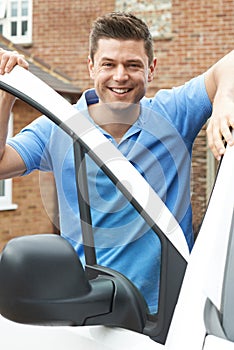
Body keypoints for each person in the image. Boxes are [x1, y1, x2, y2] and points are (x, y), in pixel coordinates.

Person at [0, 12, 233, 314]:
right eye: (108, 64)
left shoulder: (172, 114)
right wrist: (6, 95)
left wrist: (224, 100)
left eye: (133, 65)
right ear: (91, 67)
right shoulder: (57, 126)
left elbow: (229, 64)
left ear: (151, 69)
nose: (120, 76)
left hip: (172, 319)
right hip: (90, 312)